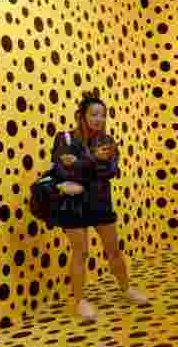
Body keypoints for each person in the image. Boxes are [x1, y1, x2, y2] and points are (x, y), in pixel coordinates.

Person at [51, 91, 148, 320]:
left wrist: (80, 163)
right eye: (94, 114)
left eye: (103, 115)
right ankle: (79, 301)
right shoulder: (64, 138)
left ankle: (126, 289)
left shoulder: (107, 141)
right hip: (74, 204)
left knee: (113, 250)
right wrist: (94, 164)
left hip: (101, 202)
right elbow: (61, 170)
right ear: (81, 115)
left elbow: (111, 170)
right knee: (80, 252)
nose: (99, 119)